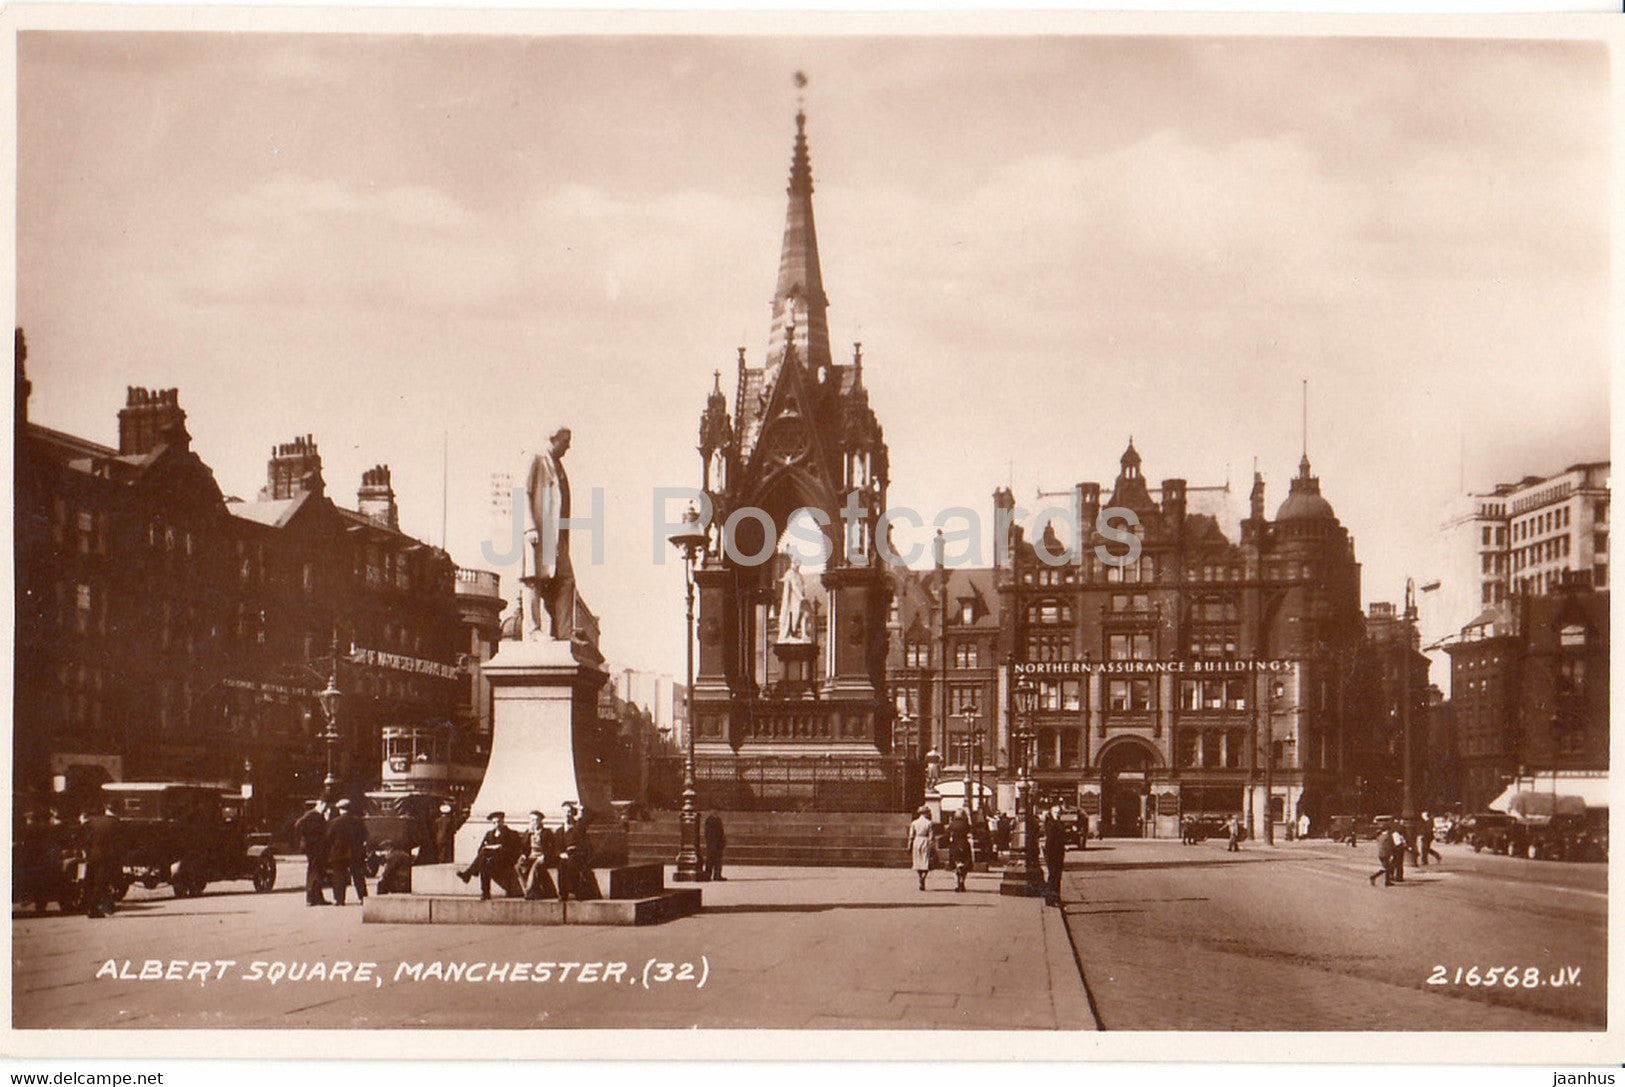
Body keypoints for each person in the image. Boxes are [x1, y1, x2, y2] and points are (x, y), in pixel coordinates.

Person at [458, 811, 524, 900]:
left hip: (504, 862)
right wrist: (492, 848)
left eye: (499, 821)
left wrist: (498, 848)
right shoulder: (489, 834)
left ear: (503, 821)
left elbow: (513, 851)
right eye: (494, 823)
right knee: (484, 864)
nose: (497, 824)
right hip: (491, 861)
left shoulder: (511, 834)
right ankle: (485, 893)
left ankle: (469, 873)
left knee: (485, 855)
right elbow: (480, 850)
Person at [80, 804, 123, 918]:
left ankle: (93, 906)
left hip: (93, 855)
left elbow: (86, 838)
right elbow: (120, 843)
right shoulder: (116, 823)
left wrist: (87, 852)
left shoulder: (93, 821)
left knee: (91, 881)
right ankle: (95, 908)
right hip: (107, 857)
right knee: (101, 882)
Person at [325, 798, 370, 906]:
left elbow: (328, 837)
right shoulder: (358, 821)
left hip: (339, 853)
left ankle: (340, 899)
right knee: (358, 876)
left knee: (339, 876)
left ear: (340, 810)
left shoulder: (334, 823)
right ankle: (363, 897)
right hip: (355, 853)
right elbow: (365, 836)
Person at [293, 801, 331, 906]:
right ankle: (314, 897)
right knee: (315, 872)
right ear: (321, 804)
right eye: (325, 807)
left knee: (315, 872)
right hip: (314, 848)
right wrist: (307, 838)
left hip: (315, 847)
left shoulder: (315, 815)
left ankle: (315, 897)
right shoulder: (313, 814)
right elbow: (298, 825)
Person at [558, 803, 595, 901]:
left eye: (569, 812)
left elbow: (588, 818)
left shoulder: (578, 825)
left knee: (572, 862)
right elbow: (557, 846)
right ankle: (563, 893)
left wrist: (581, 811)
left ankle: (575, 891)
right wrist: (561, 853)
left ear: (572, 813)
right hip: (565, 854)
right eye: (565, 812)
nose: (567, 814)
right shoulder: (560, 830)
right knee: (562, 865)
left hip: (578, 852)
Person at [518, 810, 558, 900]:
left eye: (536, 820)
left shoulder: (546, 832)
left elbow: (552, 848)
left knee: (535, 867)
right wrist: (524, 855)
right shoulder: (528, 833)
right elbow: (523, 847)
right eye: (531, 820)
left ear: (540, 821)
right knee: (518, 866)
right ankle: (531, 890)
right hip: (531, 856)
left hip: (543, 856)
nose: (534, 823)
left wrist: (544, 856)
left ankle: (529, 892)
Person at [1042, 803, 1068, 907]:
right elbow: (1050, 841)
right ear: (1051, 813)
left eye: (1059, 812)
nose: (1057, 814)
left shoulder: (1060, 823)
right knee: (1053, 876)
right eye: (1055, 812)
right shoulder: (1051, 824)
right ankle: (1052, 898)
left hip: (1059, 853)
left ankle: (1055, 897)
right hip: (1052, 853)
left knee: (1057, 876)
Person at [907, 806, 934, 891]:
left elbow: (911, 835)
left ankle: (920, 877)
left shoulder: (914, 823)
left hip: (917, 840)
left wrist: (909, 845)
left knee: (917, 861)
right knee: (925, 861)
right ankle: (923, 878)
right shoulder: (929, 823)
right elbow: (931, 836)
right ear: (926, 813)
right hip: (925, 841)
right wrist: (931, 845)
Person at [947, 809, 973, 892]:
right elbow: (970, 834)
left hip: (954, 845)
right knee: (965, 863)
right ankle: (962, 881)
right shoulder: (966, 825)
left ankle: (957, 883)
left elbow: (947, 834)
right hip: (964, 844)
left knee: (954, 864)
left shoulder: (952, 824)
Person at [702, 812, 726, 882]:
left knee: (718, 859)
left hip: (718, 842)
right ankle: (708, 875)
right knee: (710, 859)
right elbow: (708, 833)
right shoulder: (709, 820)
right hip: (712, 842)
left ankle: (717, 874)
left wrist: (722, 841)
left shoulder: (718, 819)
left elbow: (721, 832)